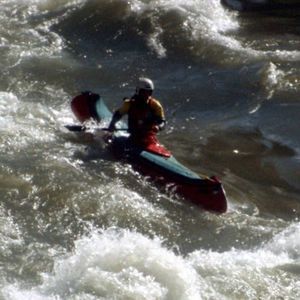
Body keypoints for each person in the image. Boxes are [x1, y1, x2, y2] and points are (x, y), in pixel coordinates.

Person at [108, 77, 166, 148]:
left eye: (149, 92)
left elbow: (162, 122)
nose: (146, 95)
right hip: (134, 135)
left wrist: (158, 127)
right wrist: (112, 124)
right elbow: (118, 114)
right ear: (138, 91)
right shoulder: (129, 104)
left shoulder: (156, 105)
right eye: (144, 92)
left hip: (148, 137)